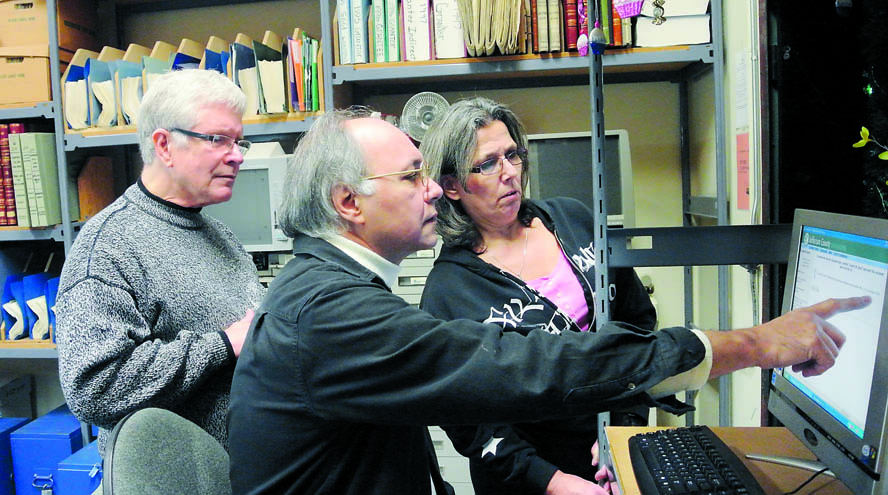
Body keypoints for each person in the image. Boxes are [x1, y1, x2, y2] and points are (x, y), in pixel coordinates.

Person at [227, 106, 869, 495]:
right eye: (413, 175)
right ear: (348, 203)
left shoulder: (328, 290)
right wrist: (751, 343)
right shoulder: (333, 315)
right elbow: (525, 366)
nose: (433, 190)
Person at [417, 96, 660, 494]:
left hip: (613, 456)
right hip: (527, 479)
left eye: (512, 155)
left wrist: (625, 427)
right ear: (452, 186)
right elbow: (468, 420)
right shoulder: (448, 290)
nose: (510, 173)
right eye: (488, 164)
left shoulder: (575, 220)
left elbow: (637, 323)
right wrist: (552, 482)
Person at [55, 68, 265, 457]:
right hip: (176, 477)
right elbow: (94, 389)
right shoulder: (108, 247)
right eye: (218, 139)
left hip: (239, 471)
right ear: (164, 145)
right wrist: (222, 345)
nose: (236, 156)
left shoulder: (220, 236)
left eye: (239, 142)